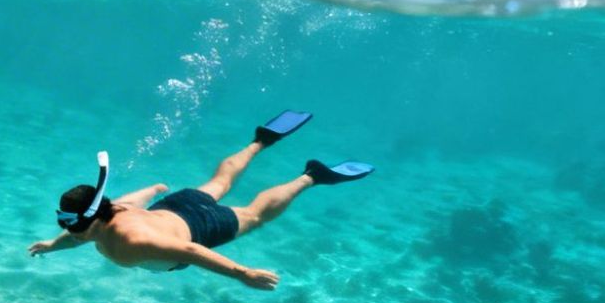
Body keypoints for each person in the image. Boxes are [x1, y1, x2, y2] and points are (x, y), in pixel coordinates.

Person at [27, 112, 370, 289]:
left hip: (199, 229)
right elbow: (130, 201)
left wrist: (242, 273)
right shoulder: (112, 210)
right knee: (219, 182)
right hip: (174, 207)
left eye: (73, 225)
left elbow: (191, 252)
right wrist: (50, 245)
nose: (69, 231)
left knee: (254, 214)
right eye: (63, 222)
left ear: (96, 218)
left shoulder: (131, 242)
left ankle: (311, 176)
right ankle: (260, 141)